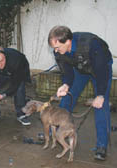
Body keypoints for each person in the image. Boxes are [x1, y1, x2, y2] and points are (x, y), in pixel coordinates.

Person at [48, 26, 113, 161]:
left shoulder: (93, 45)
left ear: (68, 42)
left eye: (57, 47)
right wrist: (65, 84)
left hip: (100, 68)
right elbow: (67, 72)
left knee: (101, 106)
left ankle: (102, 146)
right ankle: (57, 132)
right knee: (67, 98)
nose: (55, 51)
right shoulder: (59, 51)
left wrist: (100, 94)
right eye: (53, 48)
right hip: (81, 67)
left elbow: (102, 72)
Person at [0, 46, 31, 126]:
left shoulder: (16, 60)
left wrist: (3, 95)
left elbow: (15, 83)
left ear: (5, 56)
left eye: (2, 61)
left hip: (19, 69)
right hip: (1, 73)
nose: (0, 64)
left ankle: (21, 113)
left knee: (19, 88)